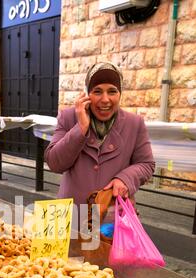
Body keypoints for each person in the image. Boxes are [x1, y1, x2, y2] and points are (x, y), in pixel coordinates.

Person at [44, 62, 155, 207]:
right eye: (97, 91)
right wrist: (81, 128)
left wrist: (125, 179)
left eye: (112, 91)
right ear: (87, 94)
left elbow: (146, 164)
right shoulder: (68, 117)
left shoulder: (134, 123)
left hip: (112, 215)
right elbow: (54, 163)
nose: (105, 99)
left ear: (120, 93)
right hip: (71, 213)